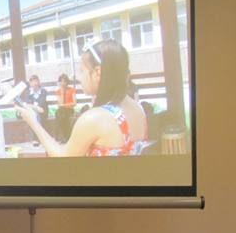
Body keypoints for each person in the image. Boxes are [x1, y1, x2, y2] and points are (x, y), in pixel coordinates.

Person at [17, 39, 147, 157]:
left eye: (81, 71)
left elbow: (63, 157)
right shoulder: (138, 109)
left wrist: (33, 122)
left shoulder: (95, 118)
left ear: (97, 72)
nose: (79, 77)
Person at [54, 73, 76, 143]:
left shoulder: (72, 90)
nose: (63, 83)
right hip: (62, 111)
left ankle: (61, 137)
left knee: (61, 115)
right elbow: (60, 103)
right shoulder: (58, 91)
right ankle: (66, 137)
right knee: (60, 114)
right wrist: (62, 92)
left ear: (67, 82)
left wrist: (64, 105)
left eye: (64, 81)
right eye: (61, 81)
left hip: (69, 110)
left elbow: (74, 103)